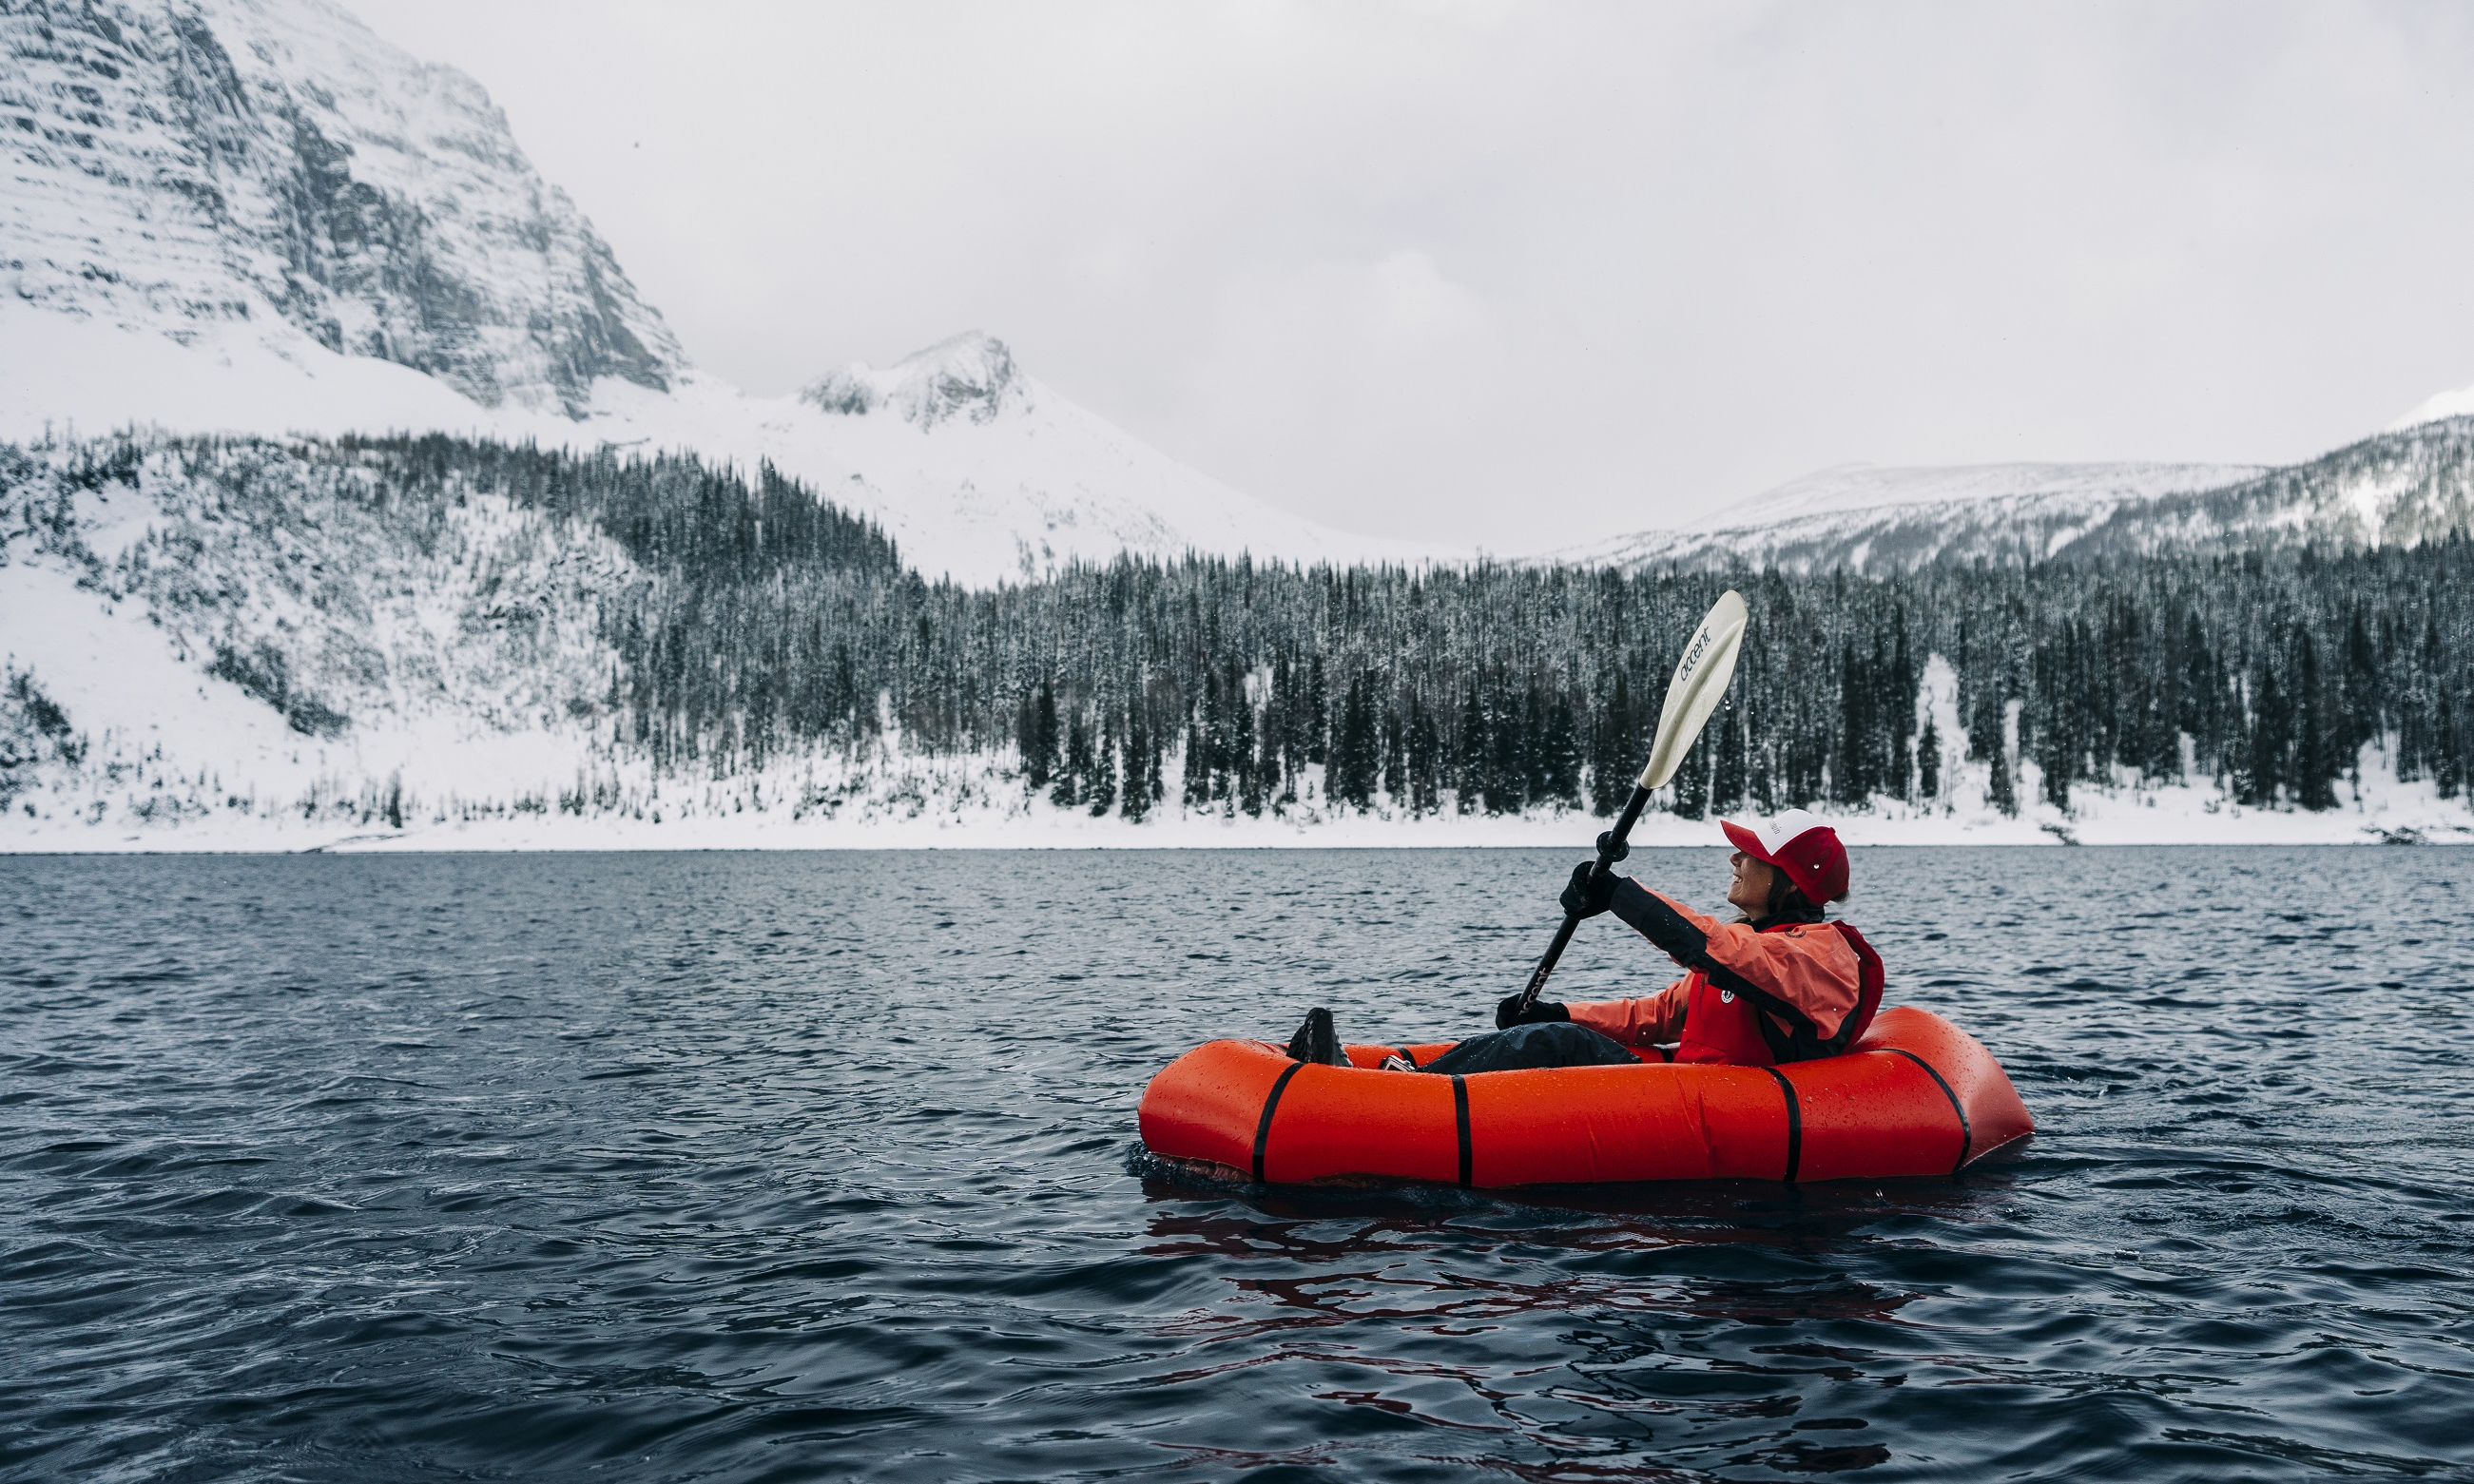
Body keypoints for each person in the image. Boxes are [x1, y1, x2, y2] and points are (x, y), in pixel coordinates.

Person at [1283, 809, 1883, 1073]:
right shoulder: (1762, 940)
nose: (1733, 858)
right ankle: (1394, 1079)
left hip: (1736, 1102)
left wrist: (1617, 895)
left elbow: (1723, 951)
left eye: (1750, 854)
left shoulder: (1819, 955)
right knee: (1543, 1031)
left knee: (1553, 1044)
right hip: (1694, 1082)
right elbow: (1658, 1015)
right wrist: (1560, 1009)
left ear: (1787, 878)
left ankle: (1394, 1094)